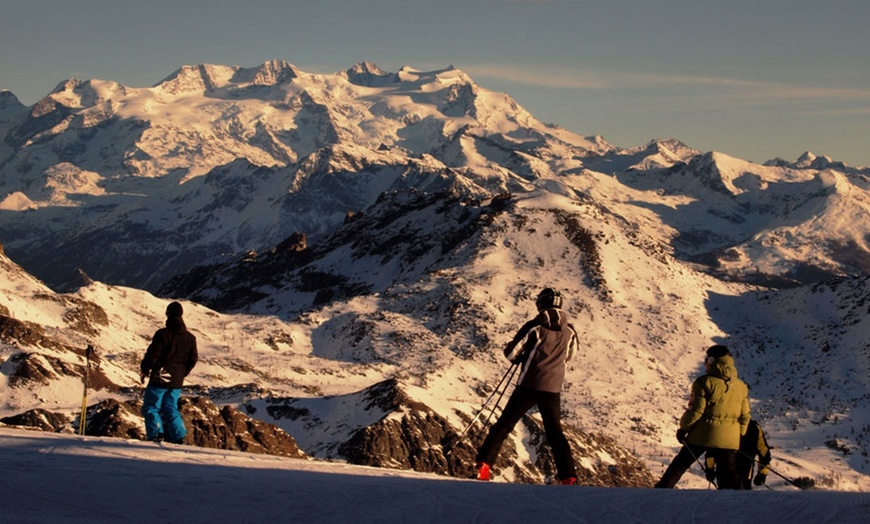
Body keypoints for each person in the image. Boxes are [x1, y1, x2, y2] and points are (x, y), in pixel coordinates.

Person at [475, 288, 579, 484]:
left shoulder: (534, 326)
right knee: (555, 433)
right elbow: (570, 356)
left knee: (504, 425)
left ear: (540, 304)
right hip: (553, 388)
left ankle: (484, 466)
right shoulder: (570, 331)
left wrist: (525, 356)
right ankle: (568, 477)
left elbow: (512, 354)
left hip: (528, 385)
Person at [655, 344, 750, 489]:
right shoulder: (741, 386)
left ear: (712, 361)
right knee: (729, 474)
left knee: (680, 465)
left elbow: (696, 411)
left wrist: (684, 428)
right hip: (730, 438)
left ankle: (660, 492)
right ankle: (737, 503)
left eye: (707, 359)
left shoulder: (703, 382)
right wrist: (739, 434)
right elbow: (745, 416)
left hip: (702, 434)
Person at [140, 301, 198, 444]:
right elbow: (193, 358)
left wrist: (144, 369)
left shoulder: (163, 334)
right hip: (177, 380)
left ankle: (156, 434)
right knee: (170, 407)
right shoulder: (190, 338)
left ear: (168, 314)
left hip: (161, 375)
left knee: (151, 406)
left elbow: (153, 354)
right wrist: (182, 372)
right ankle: (179, 436)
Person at [705, 418, 772, 489]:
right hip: (745, 473)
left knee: (724, 495)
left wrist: (710, 470)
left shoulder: (721, 425)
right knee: (743, 495)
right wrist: (762, 474)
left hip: (723, 473)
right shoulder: (754, 427)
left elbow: (711, 452)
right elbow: (764, 452)